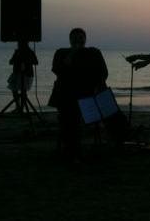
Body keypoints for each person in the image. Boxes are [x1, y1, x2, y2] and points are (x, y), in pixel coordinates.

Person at [49, 28, 108, 160]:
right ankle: (72, 149)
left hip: (88, 95)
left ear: (85, 39)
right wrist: (72, 54)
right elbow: (58, 71)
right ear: (70, 40)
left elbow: (103, 73)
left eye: (80, 38)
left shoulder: (94, 53)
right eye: (75, 38)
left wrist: (96, 87)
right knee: (70, 115)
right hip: (67, 96)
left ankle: (117, 142)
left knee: (109, 110)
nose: (78, 41)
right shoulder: (61, 53)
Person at [7, 40, 38, 113]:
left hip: (26, 74)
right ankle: (18, 107)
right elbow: (11, 61)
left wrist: (26, 61)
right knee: (14, 89)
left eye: (19, 43)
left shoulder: (30, 52)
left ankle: (21, 108)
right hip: (16, 74)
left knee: (23, 91)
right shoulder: (17, 52)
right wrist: (16, 59)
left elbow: (36, 62)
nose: (18, 44)